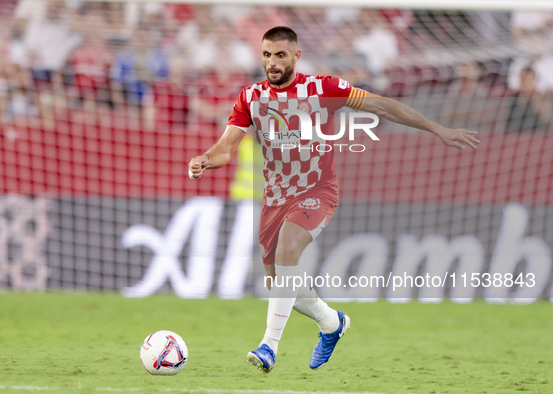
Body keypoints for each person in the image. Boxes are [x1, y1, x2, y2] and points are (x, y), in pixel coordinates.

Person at [187, 26, 479, 373]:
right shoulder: (251, 97)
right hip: (275, 198)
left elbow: (381, 106)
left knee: (286, 254)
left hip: (316, 190)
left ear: (296, 56)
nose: (272, 62)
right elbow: (226, 148)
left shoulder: (323, 88)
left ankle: (268, 347)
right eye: (267, 55)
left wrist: (437, 129)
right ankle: (331, 323)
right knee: (280, 284)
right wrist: (204, 159)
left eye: (280, 55)